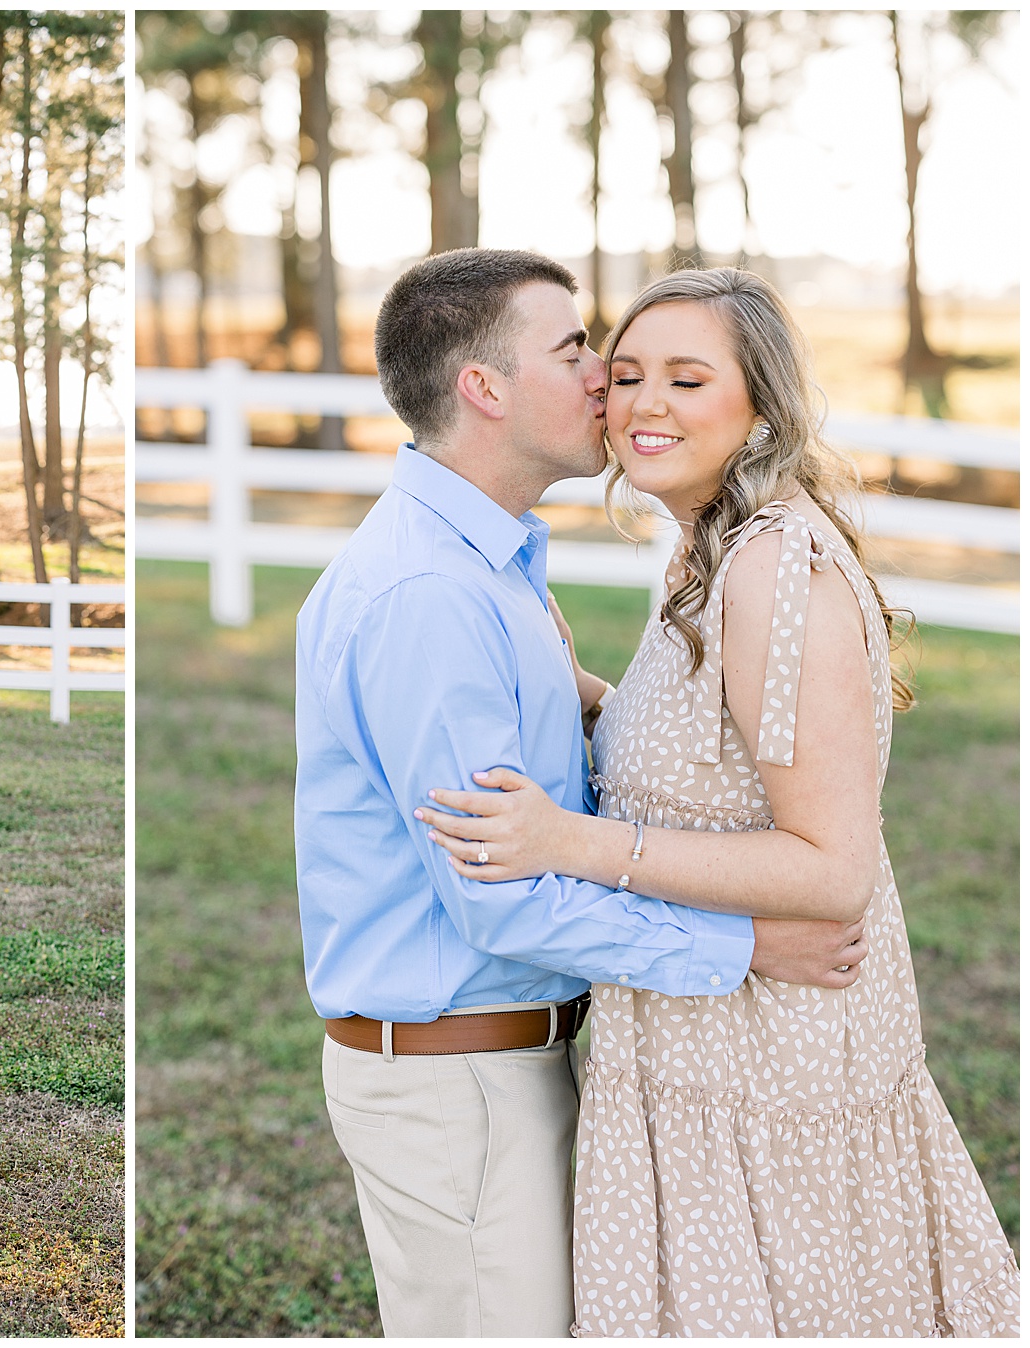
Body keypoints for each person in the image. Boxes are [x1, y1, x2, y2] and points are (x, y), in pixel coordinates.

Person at [416, 267, 1018, 1336]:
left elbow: (831, 869)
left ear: (762, 404)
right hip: (698, 1041)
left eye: (689, 379)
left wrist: (573, 839)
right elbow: (708, 756)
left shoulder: (776, 569)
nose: (646, 404)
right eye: (629, 372)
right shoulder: (714, 546)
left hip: (771, 1065)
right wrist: (569, 684)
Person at [293, 249, 872, 1337]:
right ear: (484, 388)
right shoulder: (431, 595)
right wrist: (746, 949)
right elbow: (500, 894)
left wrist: (606, 707)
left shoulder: (493, 568)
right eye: (577, 350)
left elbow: (559, 792)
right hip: (459, 1081)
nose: (606, 378)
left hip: (517, 1058)